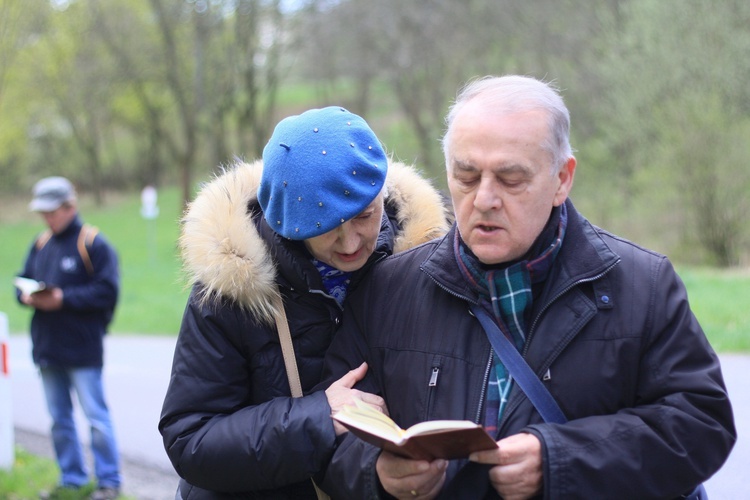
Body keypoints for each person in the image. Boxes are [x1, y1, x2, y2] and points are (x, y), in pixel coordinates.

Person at [318, 76, 737, 499]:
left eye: (510, 179)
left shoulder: (642, 285)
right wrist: (376, 472)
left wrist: (561, 461)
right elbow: (329, 434)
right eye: (466, 176)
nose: (483, 199)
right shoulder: (386, 289)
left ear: (562, 179)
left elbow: (703, 426)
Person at [159, 106, 450, 499]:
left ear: (381, 191)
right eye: (326, 229)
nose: (351, 244)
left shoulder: (425, 266)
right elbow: (190, 439)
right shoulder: (232, 288)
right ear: (287, 225)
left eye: (365, 216)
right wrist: (320, 416)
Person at [15, 176, 122, 500]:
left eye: (52, 211)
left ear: (69, 206)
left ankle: (108, 482)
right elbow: (19, 282)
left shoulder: (92, 243)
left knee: (96, 418)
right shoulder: (40, 243)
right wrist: (27, 297)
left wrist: (63, 298)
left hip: (83, 349)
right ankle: (72, 479)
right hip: (47, 349)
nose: (47, 218)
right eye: (43, 212)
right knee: (59, 420)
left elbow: (107, 291)